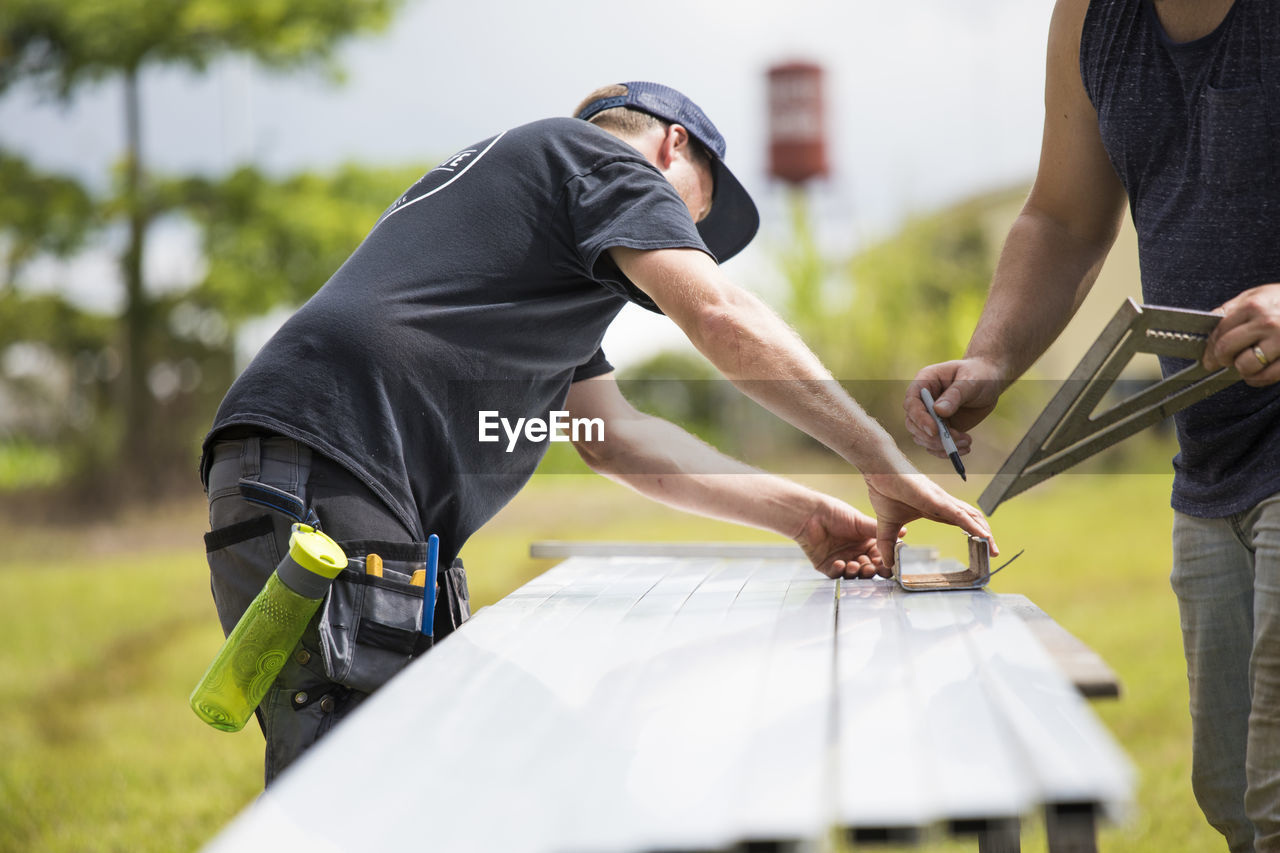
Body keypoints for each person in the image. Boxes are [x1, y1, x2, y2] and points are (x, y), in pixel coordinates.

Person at [201, 80, 993, 784]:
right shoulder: (592, 155)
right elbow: (716, 311)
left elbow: (615, 438)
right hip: (326, 468)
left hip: (312, 468)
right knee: (363, 791)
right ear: (670, 145)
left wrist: (806, 516)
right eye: (696, 213)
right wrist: (880, 457)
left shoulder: (538, 253)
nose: (687, 240)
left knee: (424, 781)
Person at [903, 2, 1280, 849]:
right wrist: (992, 358)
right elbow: (1065, 220)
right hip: (1211, 466)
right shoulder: (1090, 18)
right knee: (1235, 804)